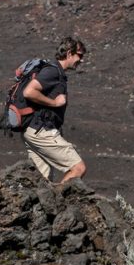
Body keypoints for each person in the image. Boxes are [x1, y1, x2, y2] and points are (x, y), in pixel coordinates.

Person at [21, 36, 88, 185]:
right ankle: (59, 202)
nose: (81, 60)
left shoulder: (56, 72)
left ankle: (44, 205)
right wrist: (54, 103)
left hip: (33, 130)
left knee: (41, 182)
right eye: (80, 55)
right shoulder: (52, 71)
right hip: (41, 130)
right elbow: (29, 92)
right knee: (78, 168)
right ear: (69, 53)